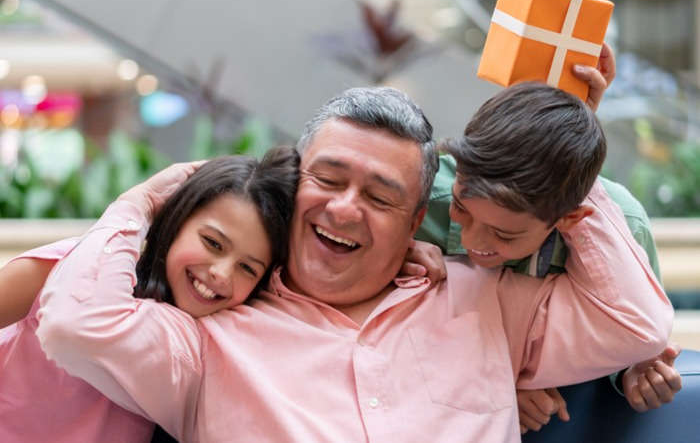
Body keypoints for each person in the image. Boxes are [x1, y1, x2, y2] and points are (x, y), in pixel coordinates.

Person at [35, 86, 673, 442]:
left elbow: (634, 323)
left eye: (379, 196)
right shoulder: (213, 329)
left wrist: (562, 160)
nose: (343, 209)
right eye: (329, 179)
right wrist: (142, 202)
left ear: (420, 215)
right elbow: (74, 325)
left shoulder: (485, 301)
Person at [415, 81, 682, 434]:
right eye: (460, 207)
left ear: (570, 218)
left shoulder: (625, 227)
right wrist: (495, 382)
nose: (472, 239)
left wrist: (633, 372)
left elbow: (626, 339)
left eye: (504, 234)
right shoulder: (415, 197)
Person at [0, 148, 299, 442]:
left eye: (247, 267)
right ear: (177, 222)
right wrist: (137, 203)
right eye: (212, 243)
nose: (221, 273)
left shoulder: (203, 350)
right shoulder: (76, 267)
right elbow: (71, 322)